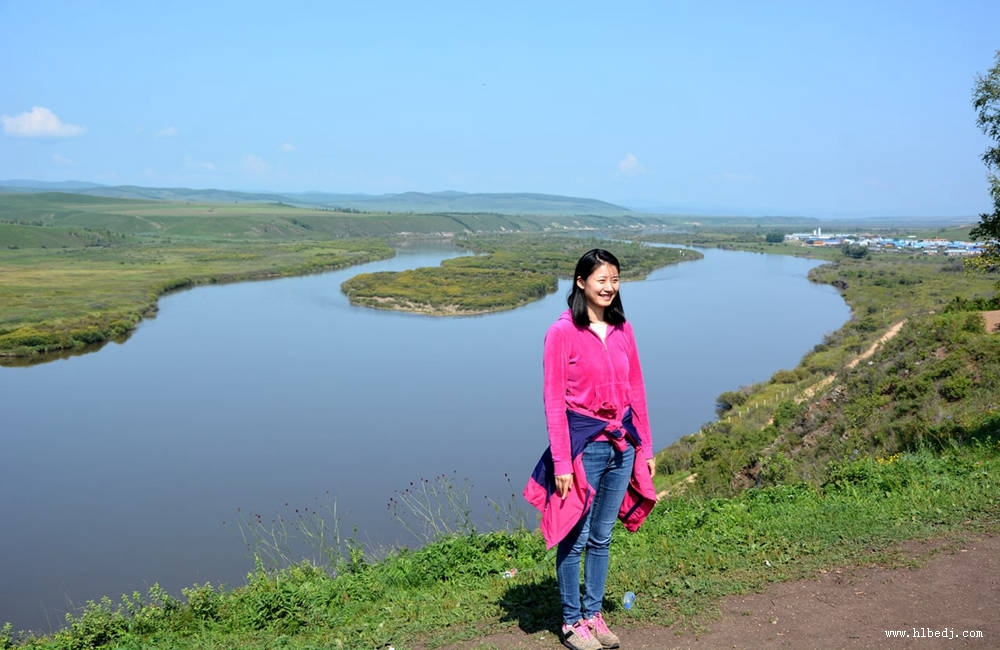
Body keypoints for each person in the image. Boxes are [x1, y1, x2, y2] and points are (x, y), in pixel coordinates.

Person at [524, 248, 657, 650]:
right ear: (581, 282)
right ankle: (571, 622)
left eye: (615, 279)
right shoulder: (562, 332)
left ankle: (593, 613)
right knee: (575, 536)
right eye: (602, 280)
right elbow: (553, 402)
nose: (609, 287)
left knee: (602, 536)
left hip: (623, 444)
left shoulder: (622, 328)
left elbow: (636, 389)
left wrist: (645, 446)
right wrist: (561, 462)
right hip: (584, 448)